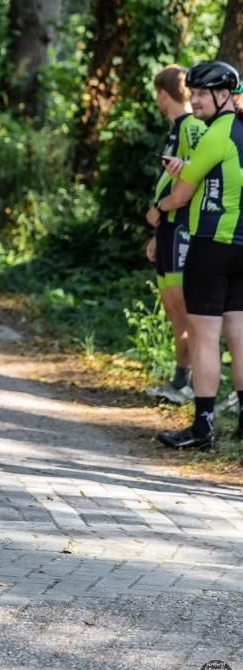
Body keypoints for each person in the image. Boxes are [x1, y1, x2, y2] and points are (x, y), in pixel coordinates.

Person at [147, 60, 243, 449]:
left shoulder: (215, 135)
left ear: (224, 95)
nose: (196, 100)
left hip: (211, 245)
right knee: (239, 334)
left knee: (205, 337)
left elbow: (181, 195)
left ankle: (203, 428)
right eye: (194, 93)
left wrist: (159, 208)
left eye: (203, 94)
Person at [144, 66, 206, 403]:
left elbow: (195, 176)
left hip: (183, 224)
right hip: (168, 227)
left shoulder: (192, 126)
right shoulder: (176, 128)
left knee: (187, 308)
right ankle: (180, 380)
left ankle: (195, 384)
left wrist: (164, 207)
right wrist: (158, 230)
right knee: (173, 308)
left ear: (163, 94)